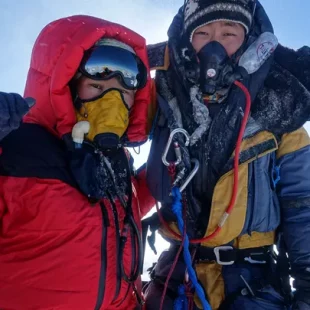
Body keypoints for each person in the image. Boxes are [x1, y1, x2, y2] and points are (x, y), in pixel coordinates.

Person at [144, 0, 310, 309]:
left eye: (229, 32)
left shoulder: (281, 108)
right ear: (186, 41)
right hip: (174, 280)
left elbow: (303, 203)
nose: (214, 45)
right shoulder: (161, 98)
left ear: (248, 40)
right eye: (203, 33)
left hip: (252, 285)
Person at [0, 15, 155, 309]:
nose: (113, 103)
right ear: (67, 86)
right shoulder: (16, 148)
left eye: (124, 93)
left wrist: (166, 171)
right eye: (97, 87)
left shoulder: (114, 160)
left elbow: (125, 209)